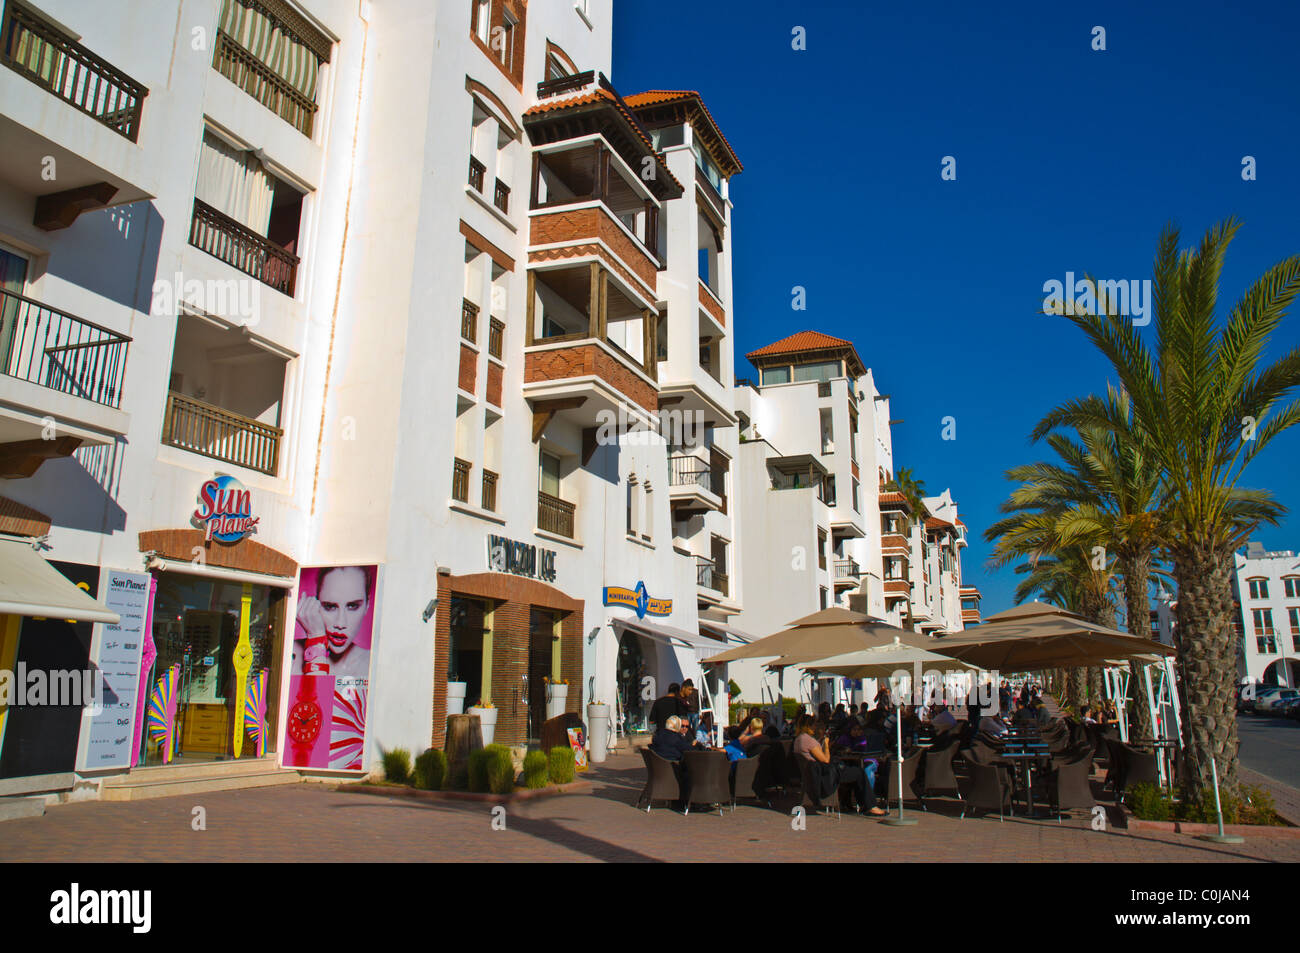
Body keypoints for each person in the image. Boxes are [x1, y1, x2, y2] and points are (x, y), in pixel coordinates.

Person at [793, 714, 885, 816]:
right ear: (809, 726)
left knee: (852, 772)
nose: (816, 727)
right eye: (814, 725)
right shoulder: (808, 740)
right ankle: (871, 806)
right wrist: (826, 745)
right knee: (859, 773)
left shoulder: (798, 739)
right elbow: (825, 760)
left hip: (814, 775)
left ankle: (850, 803)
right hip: (825, 775)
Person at [295, 565, 373, 677]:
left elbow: (320, 695)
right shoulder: (290, 655)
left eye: (352, 606)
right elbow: (315, 694)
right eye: (330, 606)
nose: (340, 624)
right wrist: (316, 637)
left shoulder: (375, 664)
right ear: (316, 603)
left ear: (367, 605)